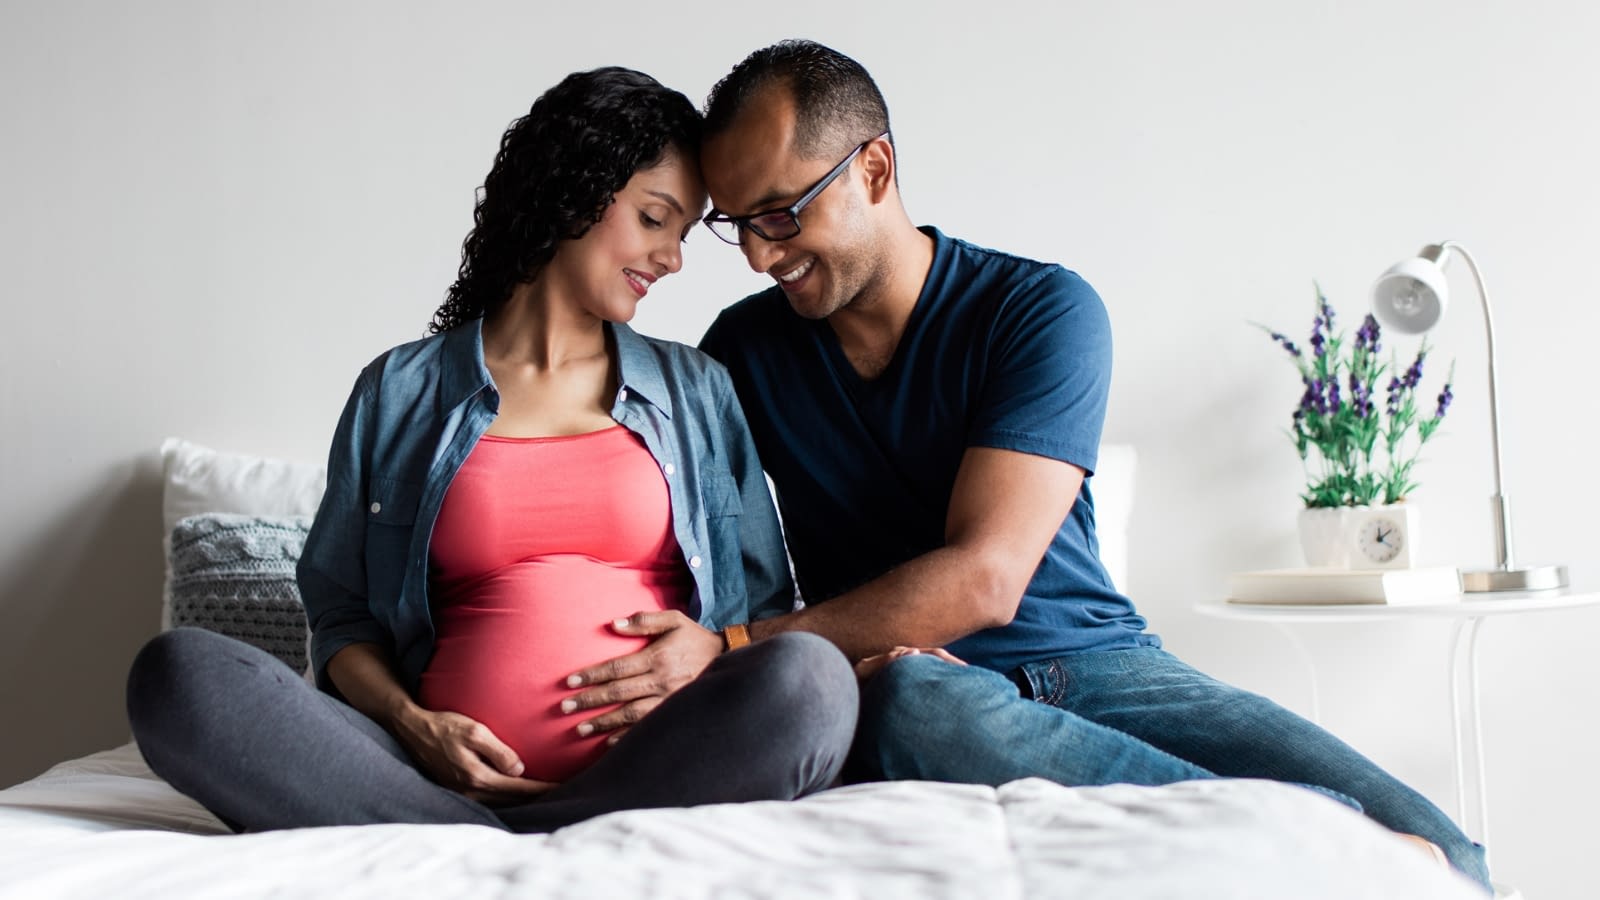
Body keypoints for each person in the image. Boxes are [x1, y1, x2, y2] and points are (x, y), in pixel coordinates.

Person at [672, 39, 1490, 891]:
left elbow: (987, 579)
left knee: (1455, 861)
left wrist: (737, 646)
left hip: (1106, 666)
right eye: (737, 226)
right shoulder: (742, 352)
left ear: (874, 169)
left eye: (781, 213)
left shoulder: (1037, 310)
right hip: (917, 686)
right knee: (911, 702)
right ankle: (1327, 851)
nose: (762, 256)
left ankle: (1334, 846)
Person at [125, 66, 857, 834]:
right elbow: (340, 615)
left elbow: (763, 609)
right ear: (574, 192)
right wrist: (416, 724)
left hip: (654, 763)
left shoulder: (697, 389)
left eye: (681, 234)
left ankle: (519, 829)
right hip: (425, 774)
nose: (673, 258)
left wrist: (710, 649)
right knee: (177, 676)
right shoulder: (400, 391)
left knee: (813, 683)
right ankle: (483, 824)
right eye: (654, 219)